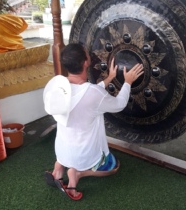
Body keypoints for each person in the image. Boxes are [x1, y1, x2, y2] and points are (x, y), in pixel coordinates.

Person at [43, 43, 144, 201]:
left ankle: (58, 169)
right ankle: (78, 173)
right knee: (114, 167)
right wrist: (128, 82)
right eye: (87, 55)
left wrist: (109, 78)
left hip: (62, 151)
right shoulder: (94, 93)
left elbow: (84, 95)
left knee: (66, 150)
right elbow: (119, 104)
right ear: (85, 62)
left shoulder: (58, 88)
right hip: (85, 156)